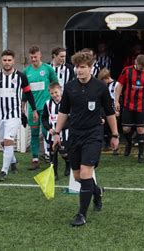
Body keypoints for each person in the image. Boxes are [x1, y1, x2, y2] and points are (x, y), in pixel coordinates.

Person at [52, 51, 119, 227]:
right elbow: (63, 111)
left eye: (82, 67)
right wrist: (57, 133)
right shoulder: (70, 87)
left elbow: (110, 113)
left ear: (90, 68)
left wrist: (115, 135)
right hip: (74, 135)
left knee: (85, 173)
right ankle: (97, 192)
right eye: (77, 67)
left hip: (93, 134)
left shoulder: (100, 88)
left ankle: (81, 214)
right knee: (78, 176)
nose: (79, 70)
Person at [0, 49, 38, 182]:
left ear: (14, 61)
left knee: (8, 140)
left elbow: (28, 94)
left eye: (9, 60)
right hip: (0, 114)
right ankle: (13, 161)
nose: (7, 62)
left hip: (15, 114)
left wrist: (34, 110)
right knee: (3, 143)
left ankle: (3, 171)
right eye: (4, 60)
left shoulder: (21, 76)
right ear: (1, 61)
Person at [114, 54, 144, 163]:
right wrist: (116, 101)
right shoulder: (127, 71)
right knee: (126, 129)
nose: (143, 69)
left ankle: (141, 155)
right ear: (135, 63)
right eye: (141, 67)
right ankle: (129, 143)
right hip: (128, 104)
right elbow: (119, 85)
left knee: (140, 129)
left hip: (142, 105)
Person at [24, 45, 58, 170]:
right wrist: (23, 106)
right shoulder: (26, 71)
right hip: (32, 108)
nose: (33, 59)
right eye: (31, 57)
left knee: (46, 132)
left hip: (46, 108)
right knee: (33, 133)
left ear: (40, 55)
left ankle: (50, 156)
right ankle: (35, 159)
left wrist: (56, 101)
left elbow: (56, 85)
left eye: (35, 56)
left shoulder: (48, 69)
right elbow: (25, 91)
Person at [42, 82, 71, 179]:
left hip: (64, 133)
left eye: (56, 92)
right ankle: (54, 174)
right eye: (52, 93)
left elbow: (71, 119)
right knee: (53, 153)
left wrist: (62, 128)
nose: (54, 95)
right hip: (52, 134)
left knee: (64, 153)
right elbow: (44, 118)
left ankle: (68, 164)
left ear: (61, 91)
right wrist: (49, 128)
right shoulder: (47, 104)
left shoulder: (67, 103)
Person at [97, 68, 118, 154]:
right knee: (103, 125)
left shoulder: (116, 85)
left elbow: (118, 98)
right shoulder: (102, 86)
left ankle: (115, 146)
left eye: (103, 80)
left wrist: (117, 109)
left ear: (107, 77)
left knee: (113, 127)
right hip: (104, 108)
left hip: (113, 108)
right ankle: (104, 143)